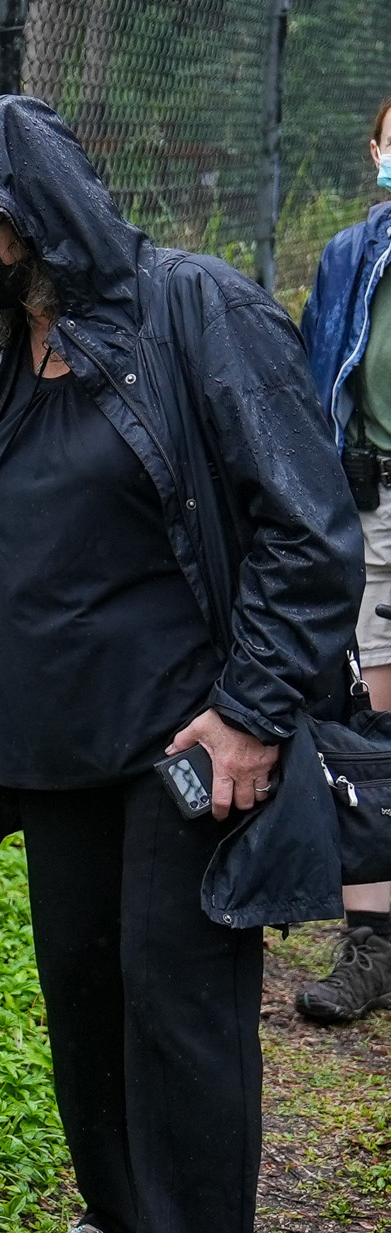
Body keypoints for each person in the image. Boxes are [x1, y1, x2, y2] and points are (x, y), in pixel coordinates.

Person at [0, 97, 361, 1233]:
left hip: (185, 741)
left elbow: (306, 525)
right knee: (85, 992)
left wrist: (253, 710)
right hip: (58, 745)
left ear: (38, 216)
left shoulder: (188, 312)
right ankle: (125, 1219)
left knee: (177, 1018)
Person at [295, 95, 391, 1025]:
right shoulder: (347, 259)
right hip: (379, 507)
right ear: (374, 150)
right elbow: (309, 387)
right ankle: (371, 943)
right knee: (372, 721)